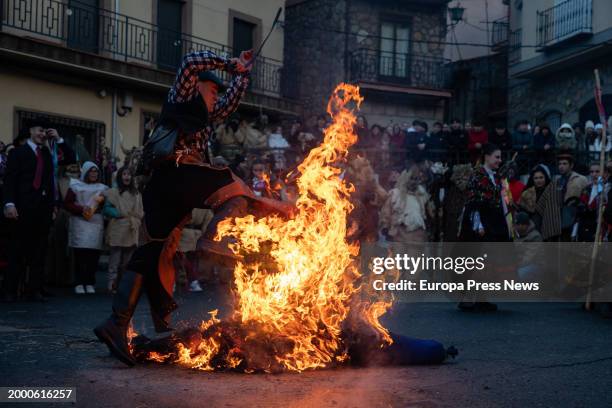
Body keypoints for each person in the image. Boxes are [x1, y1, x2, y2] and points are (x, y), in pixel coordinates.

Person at [94, 49, 291, 367]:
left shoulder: (205, 114)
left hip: (165, 190)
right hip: (177, 174)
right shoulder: (183, 95)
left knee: (151, 253)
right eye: (213, 90)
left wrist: (242, 75)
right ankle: (214, 240)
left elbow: (229, 105)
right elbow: (188, 62)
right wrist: (231, 64)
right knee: (234, 188)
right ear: (198, 85)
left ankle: (115, 324)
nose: (217, 97)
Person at [2, 121, 75, 302]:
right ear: (31, 132)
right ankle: (10, 290)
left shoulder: (48, 154)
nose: (42, 134)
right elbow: (10, 181)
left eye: (45, 131)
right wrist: (9, 204)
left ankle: (33, 289)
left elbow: (70, 158)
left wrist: (59, 139)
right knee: (17, 250)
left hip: (43, 210)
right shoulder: (18, 153)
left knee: (39, 251)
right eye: (39, 131)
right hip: (22, 208)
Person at [64, 161, 108, 294]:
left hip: (95, 223)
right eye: (91, 171)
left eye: (96, 172)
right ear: (86, 172)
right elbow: (67, 203)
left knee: (93, 255)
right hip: (80, 222)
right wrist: (81, 209)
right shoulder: (75, 185)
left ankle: (89, 282)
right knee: (80, 255)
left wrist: (100, 207)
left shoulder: (103, 188)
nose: (94, 174)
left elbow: (105, 205)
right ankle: (79, 282)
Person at [102, 167, 143, 293]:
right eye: (124, 174)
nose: (127, 177)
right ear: (120, 176)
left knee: (127, 262)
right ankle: (112, 284)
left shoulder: (136, 194)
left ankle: (123, 284)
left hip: (131, 228)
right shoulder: (113, 192)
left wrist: (136, 220)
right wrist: (118, 213)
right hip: (117, 227)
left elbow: (140, 211)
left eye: (129, 174)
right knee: (115, 259)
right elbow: (107, 208)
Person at [460, 143, 511, 242]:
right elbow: (472, 203)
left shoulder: (497, 176)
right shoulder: (477, 175)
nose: (500, 160)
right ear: (487, 157)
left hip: (498, 223)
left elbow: (504, 202)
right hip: (483, 225)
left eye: (500, 157)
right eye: (497, 157)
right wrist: (478, 225)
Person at [536, 154, 588, 241]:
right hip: (559, 218)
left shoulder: (580, 179)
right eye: (560, 164)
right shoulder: (557, 180)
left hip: (574, 216)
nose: (561, 166)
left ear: (571, 165)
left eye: (564, 164)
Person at [379, 164, 430, 243]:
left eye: (416, 179)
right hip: (400, 234)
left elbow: (428, 214)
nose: (413, 182)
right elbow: (386, 212)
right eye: (411, 179)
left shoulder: (422, 196)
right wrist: (385, 227)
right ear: (406, 178)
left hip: (417, 235)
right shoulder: (396, 194)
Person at [519, 164, 551, 229]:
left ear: (546, 178)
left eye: (541, 177)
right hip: (531, 228)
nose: (538, 180)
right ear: (532, 179)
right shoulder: (526, 193)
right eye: (536, 178)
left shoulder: (552, 192)